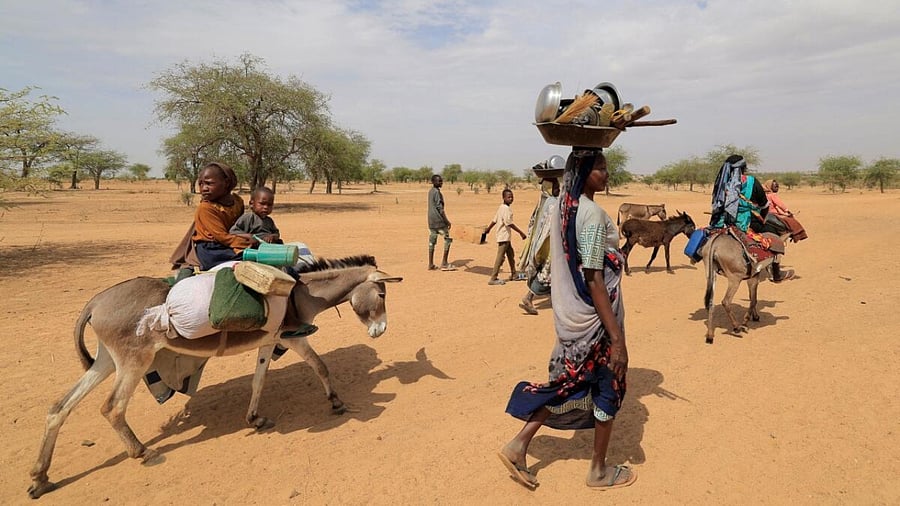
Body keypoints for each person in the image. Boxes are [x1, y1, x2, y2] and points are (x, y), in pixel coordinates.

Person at [500, 149, 636, 490]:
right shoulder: (590, 214)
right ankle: (599, 471)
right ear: (583, 172)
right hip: (596, 326)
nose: (606, 174)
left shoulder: (562, 206)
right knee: (609, 387)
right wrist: (616, 339)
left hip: (574, 320)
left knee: (570, 384)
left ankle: (518, 445)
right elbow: (592, 276)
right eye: (600, 169)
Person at [709, 155, 794, 282]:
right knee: (774, 237)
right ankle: (776, 274)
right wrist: (763, 219)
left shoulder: (721, 184)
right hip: (747, 222)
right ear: (744, 168)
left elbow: (717, 206)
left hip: (722, 222)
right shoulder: (751, 182)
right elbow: (764, 205)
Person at [191, 162, 257, 271]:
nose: (204, 188)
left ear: (226, 183)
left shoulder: (237, 201)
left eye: (209, 183)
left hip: (230, 242)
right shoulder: (206, 208)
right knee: (252, 258)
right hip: (213, 250)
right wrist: (247, 243)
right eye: (201, 184)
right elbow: (223, 237)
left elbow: (238, 227)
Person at [519, 175, 560, 315]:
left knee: (552, 274)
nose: (558, 189)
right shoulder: (553, 203)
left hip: (540, 243)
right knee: (546, 273)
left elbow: (532, 223)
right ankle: (528, 298)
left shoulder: (543, 201)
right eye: (555, 187)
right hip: (549, 245)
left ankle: (556, 299)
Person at [484, 188, 527, 285]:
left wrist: (488, 229)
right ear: (503, 198)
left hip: (504, 236)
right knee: (500, 257)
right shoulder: (506, 209)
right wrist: (521, 233)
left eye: (512, 197)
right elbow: (509, 223)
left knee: (511, 255)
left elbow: (494, 220)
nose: (511, 199)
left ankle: (514, 274)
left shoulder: (501, 207)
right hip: (503, 236)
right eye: (509, 197)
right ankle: (493, 278)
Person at [427, 174, 454, 271]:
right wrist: (447, 221)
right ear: (434, 182)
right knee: (448, 239)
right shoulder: (437, 193)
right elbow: (440, 209)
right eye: (439, 181)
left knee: (432, 242)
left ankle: (430, 264)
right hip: (439, 221)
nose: (441, 183)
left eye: (441, 181)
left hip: (431, 221)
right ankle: (444, 263)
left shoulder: (430, 192)